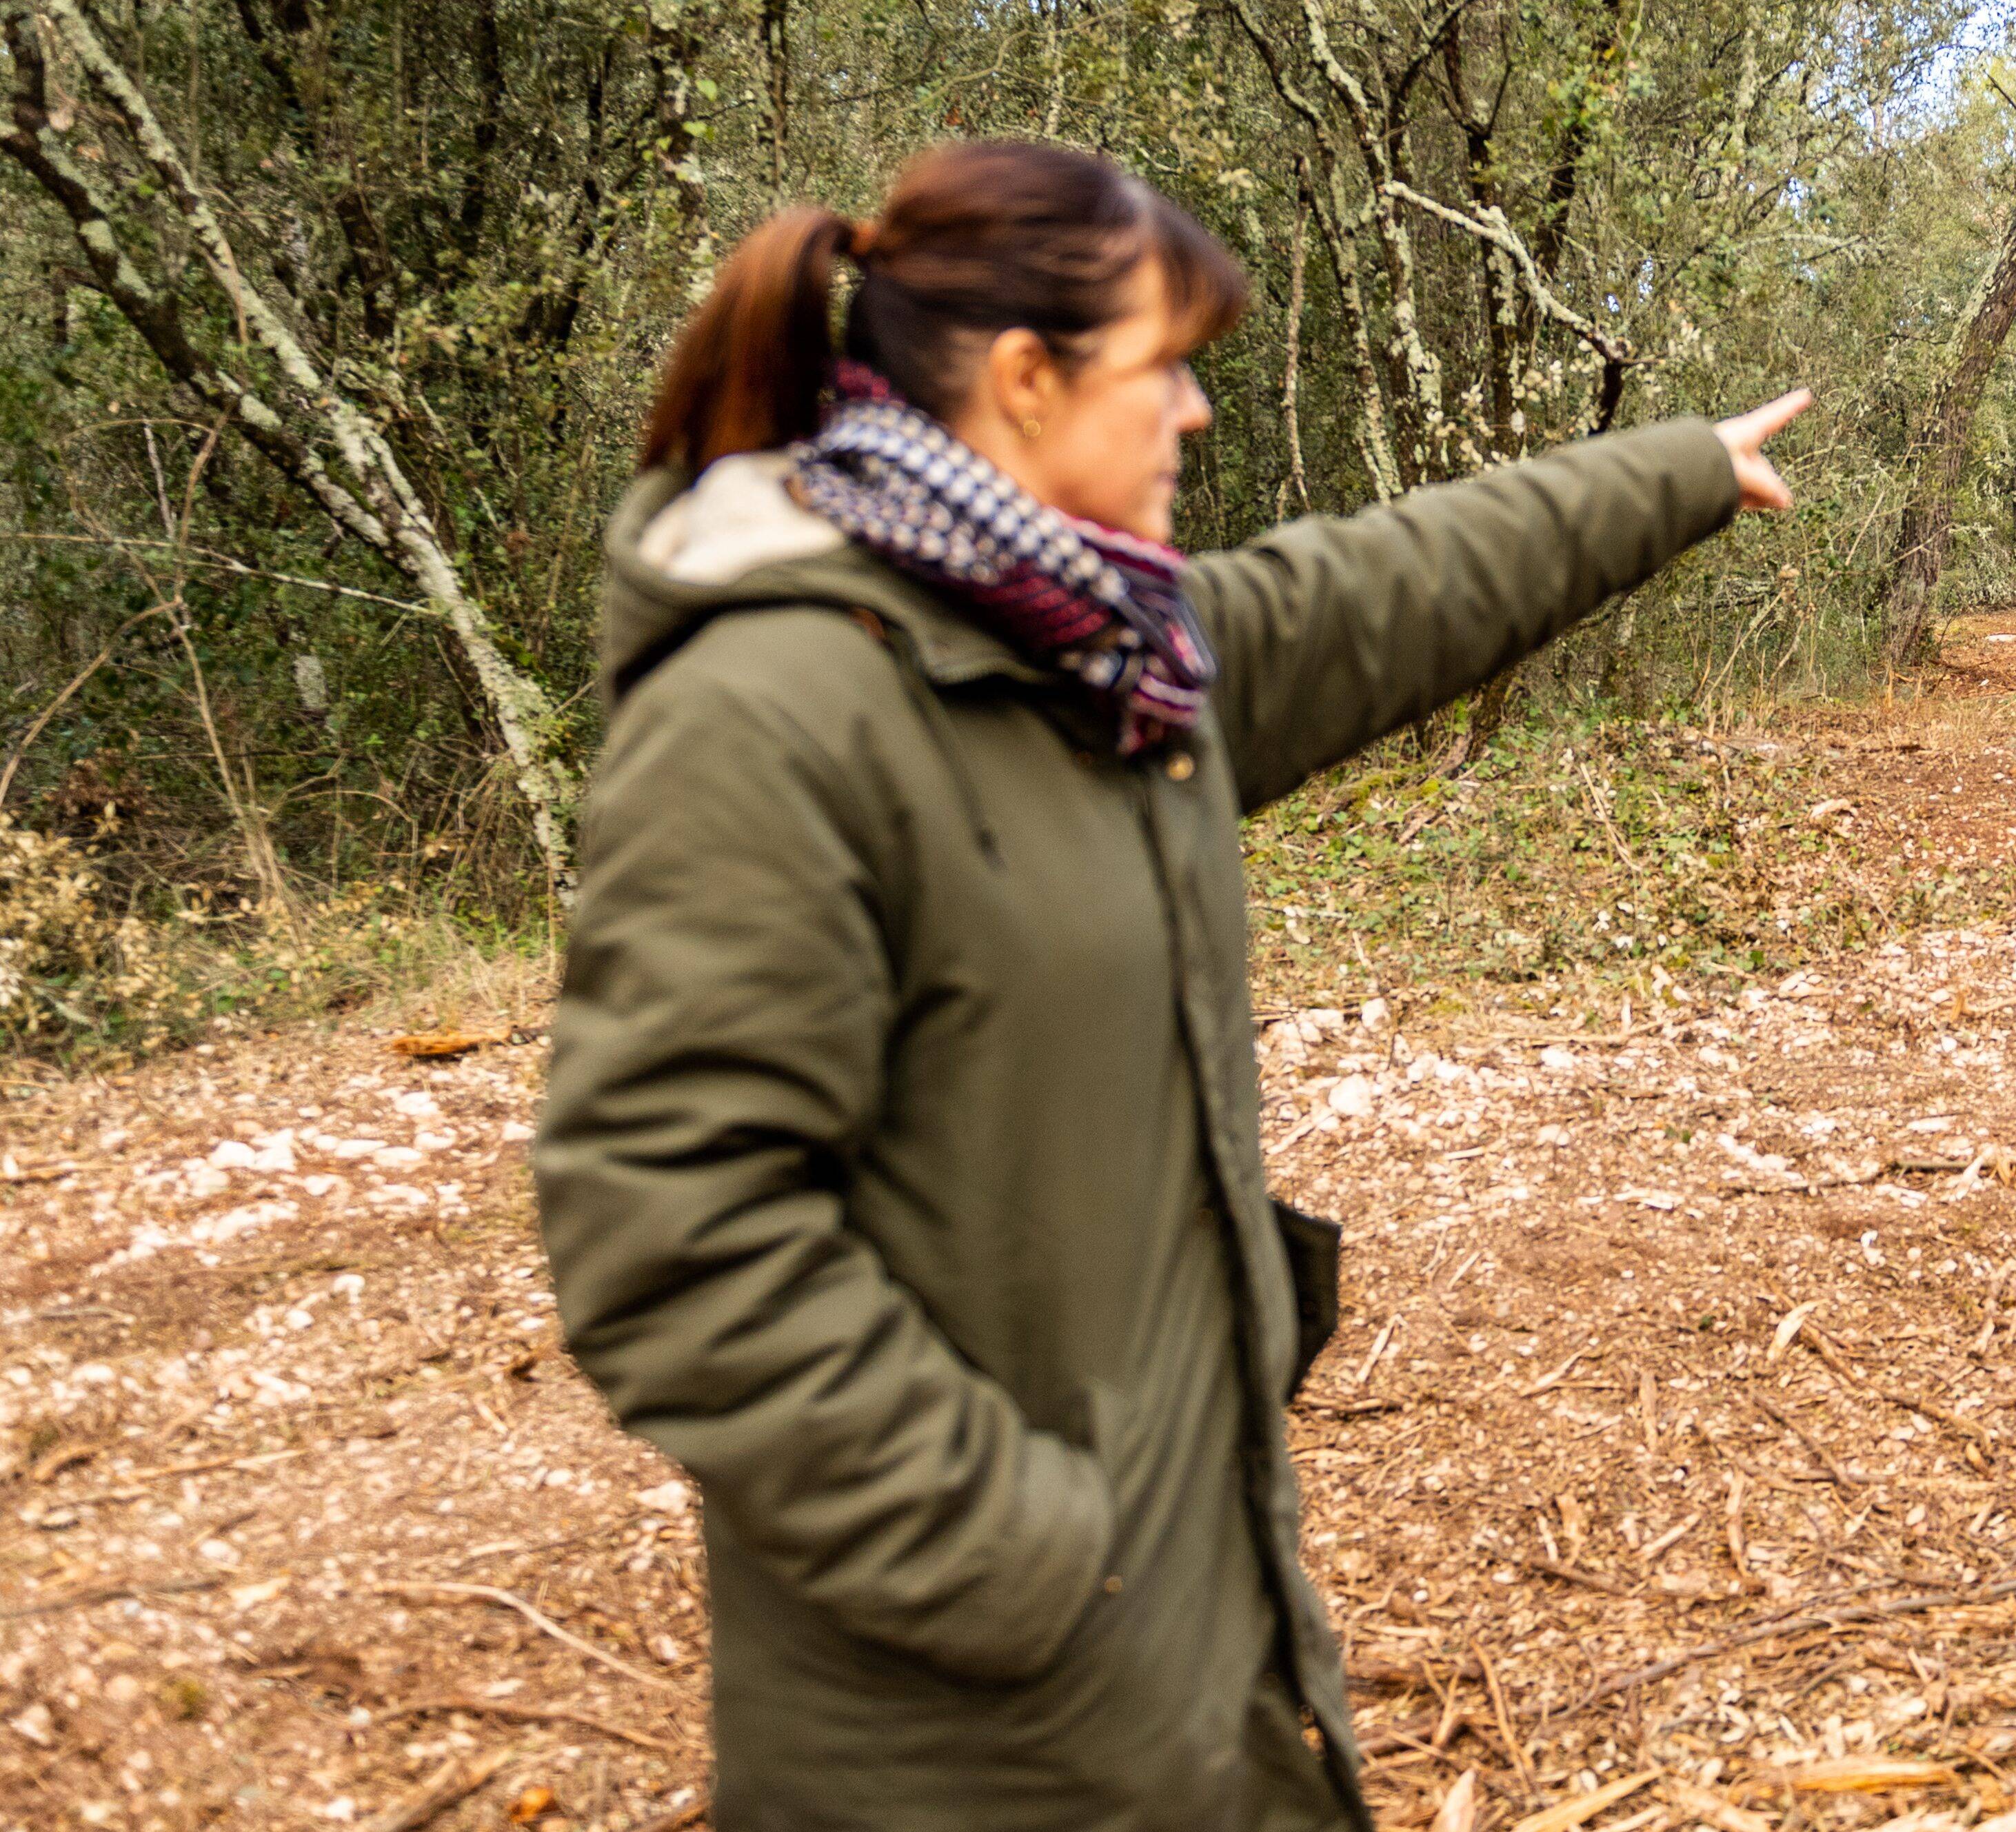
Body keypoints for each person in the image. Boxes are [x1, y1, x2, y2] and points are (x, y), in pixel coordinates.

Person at [536, 139, 1804, 1831]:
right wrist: (1035, 1552)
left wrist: (1675, 471)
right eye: (1165, 364)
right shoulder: (772, 712)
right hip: (979, 1735)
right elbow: (668, 1232)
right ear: (1022, 377)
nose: (1197, 409)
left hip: (1180, 1651)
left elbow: (1378, 590)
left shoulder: (1093, 659)